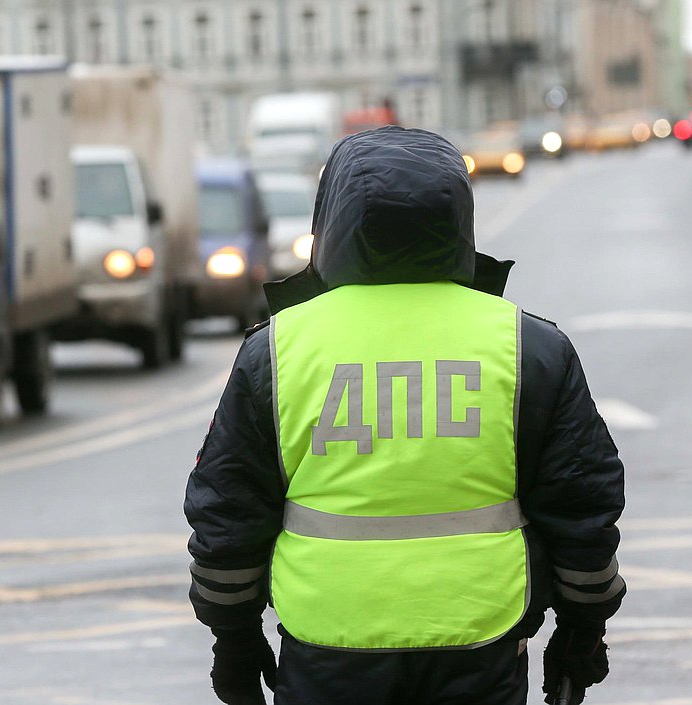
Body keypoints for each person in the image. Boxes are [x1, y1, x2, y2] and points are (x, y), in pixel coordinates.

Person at [184, 126, 626, 705]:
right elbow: (582, 508)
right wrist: (580, 636)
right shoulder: (527, 347)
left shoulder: (278, 352)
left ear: (332, 222)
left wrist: (234, 642)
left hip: (327, 646)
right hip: (482, 640)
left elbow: (229, 516)